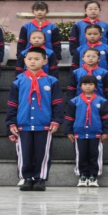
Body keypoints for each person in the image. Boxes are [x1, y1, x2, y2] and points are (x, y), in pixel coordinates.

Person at [6, 47, 64, 192]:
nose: (33, 61)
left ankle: (40, 179)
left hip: (44, 124)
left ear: (45, 61)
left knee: (42, 153)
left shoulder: (52, 81)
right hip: (23, 124)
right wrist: (11, 123)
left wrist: (56, 120)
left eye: (37, 59)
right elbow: (12, 104)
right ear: (24, 61)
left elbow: (57, 103)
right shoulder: (18, 81)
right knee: (24, 153)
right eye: (30, 59)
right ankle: (26, 178)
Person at [64, 75, 108, 187]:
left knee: (94, 155)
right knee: (81, 155)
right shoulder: (74, 101)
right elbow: (69, 118)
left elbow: (107, 118)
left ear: (95, 86)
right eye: (85, 84)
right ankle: (82, 175)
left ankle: (93, 176)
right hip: (79, 134)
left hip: (96, 134)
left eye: (91, 84)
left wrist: (106, 132)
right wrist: (69, 131)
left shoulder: (102, 101)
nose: (88, 86)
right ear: (80, 86)